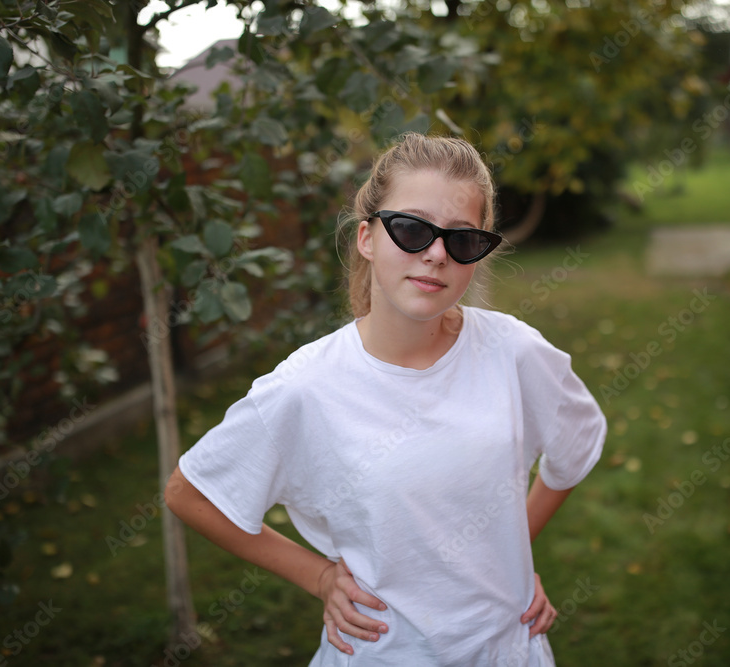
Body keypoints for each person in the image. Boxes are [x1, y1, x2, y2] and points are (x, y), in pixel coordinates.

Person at [165, 132, 607, 666]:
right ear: (367, 238)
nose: (438, 254)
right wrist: (321, 576)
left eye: (462, 239)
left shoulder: (513, 352)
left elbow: (574, 446)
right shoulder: (307, 387)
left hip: (508, 649)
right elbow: (191, 493)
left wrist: (508, 558)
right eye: (413, 229)